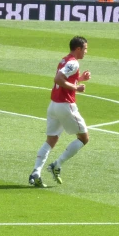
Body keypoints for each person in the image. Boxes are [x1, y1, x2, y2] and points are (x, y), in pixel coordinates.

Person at [28, 36, 91, 187]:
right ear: (78, 49)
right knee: (84, 138)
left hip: (53, 106)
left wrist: (79, 79)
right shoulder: (73, 62)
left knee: (51, 140)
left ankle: (36, 172)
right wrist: (77, 87)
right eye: (85, 49)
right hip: (65, 105)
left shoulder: (64, 60)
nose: (86, 52)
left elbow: (64, 78)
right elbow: (58, 79)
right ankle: (57, 164)